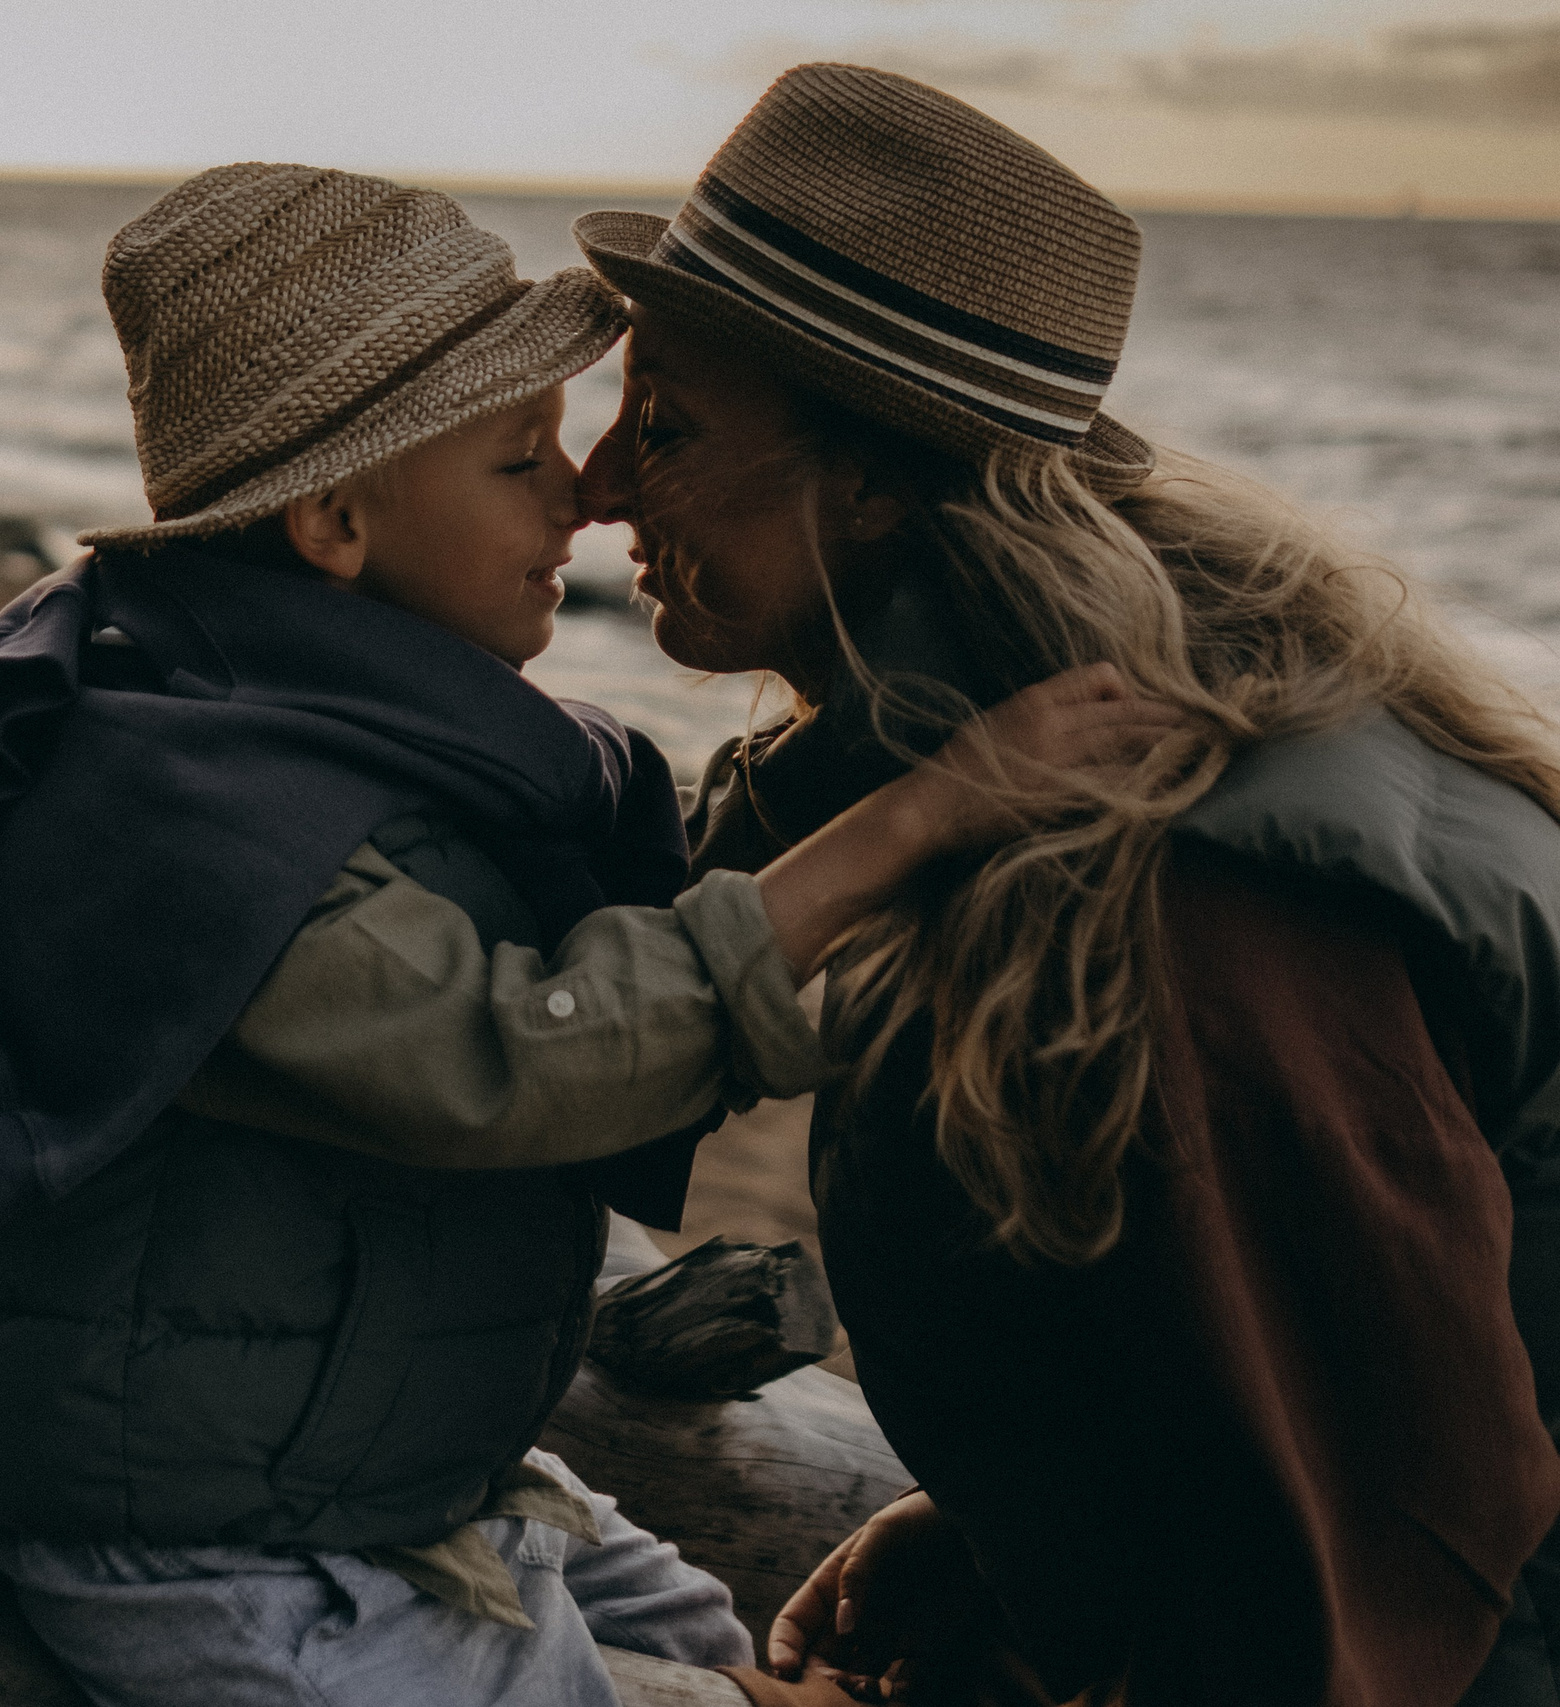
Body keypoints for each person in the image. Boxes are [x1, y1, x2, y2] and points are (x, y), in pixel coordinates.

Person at [0, 163, 1174, 1707]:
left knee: (693, 1630)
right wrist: (922, 818)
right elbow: (518, 1056)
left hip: (350, 1455)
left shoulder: (318, 721)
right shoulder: (183, 815)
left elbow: (620, 961)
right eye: (520, 459)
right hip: (195, 1530)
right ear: (339, 521)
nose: (585, 493)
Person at [564, 63, 1560, 1707]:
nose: (598, 488)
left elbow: (1371, 1611)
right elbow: (1278, 1378)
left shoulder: (1185, 898)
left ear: (878, 479)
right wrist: (1019, 1534)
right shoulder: (1024, 779)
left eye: (661, 427)